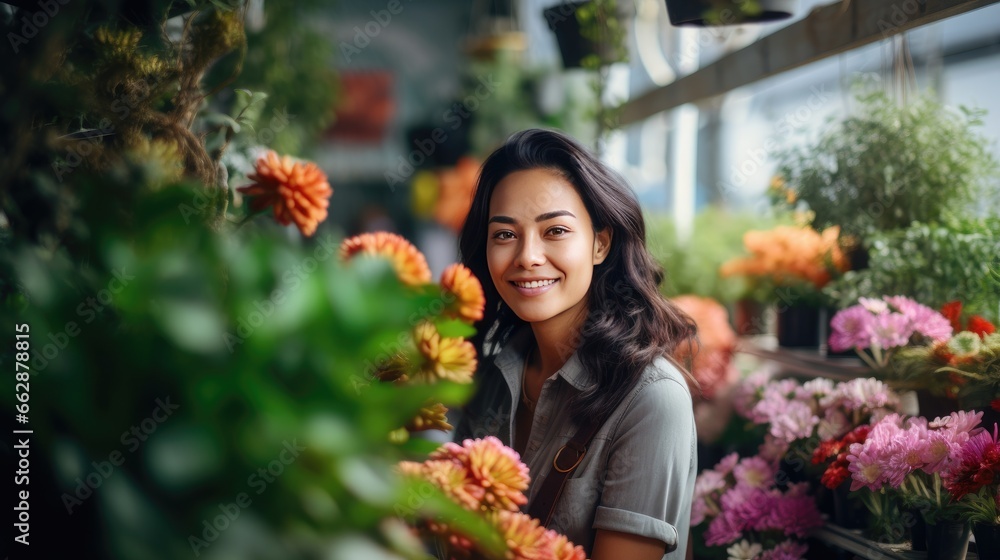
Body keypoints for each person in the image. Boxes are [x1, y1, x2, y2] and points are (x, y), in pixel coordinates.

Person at [453, 129, 698, 560]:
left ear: (600, 243)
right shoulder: (489, 377)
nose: (527, 256)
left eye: (555, 231)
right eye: (505, 235)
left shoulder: (651, 400)